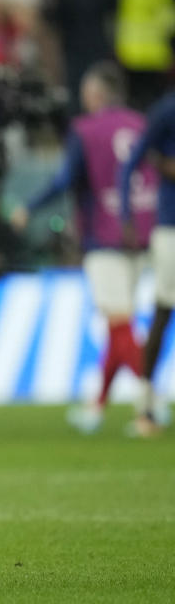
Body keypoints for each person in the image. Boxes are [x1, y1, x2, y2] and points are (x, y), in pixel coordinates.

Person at [11, 61, 159, 435]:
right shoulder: (142, 123)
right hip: (144, 231)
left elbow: (65, 179)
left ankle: (150, 407)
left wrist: (28, 207)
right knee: (118, 324)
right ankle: (97, 406)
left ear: (94, 94)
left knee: (120, 323)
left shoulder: (86, 129)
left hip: (105, 236)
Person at [116, 90, 175, 431]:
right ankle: (146, 403)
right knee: (165, 310)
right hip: (170, 228)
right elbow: (135, 160)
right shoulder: (166, 110)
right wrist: (126, 214)